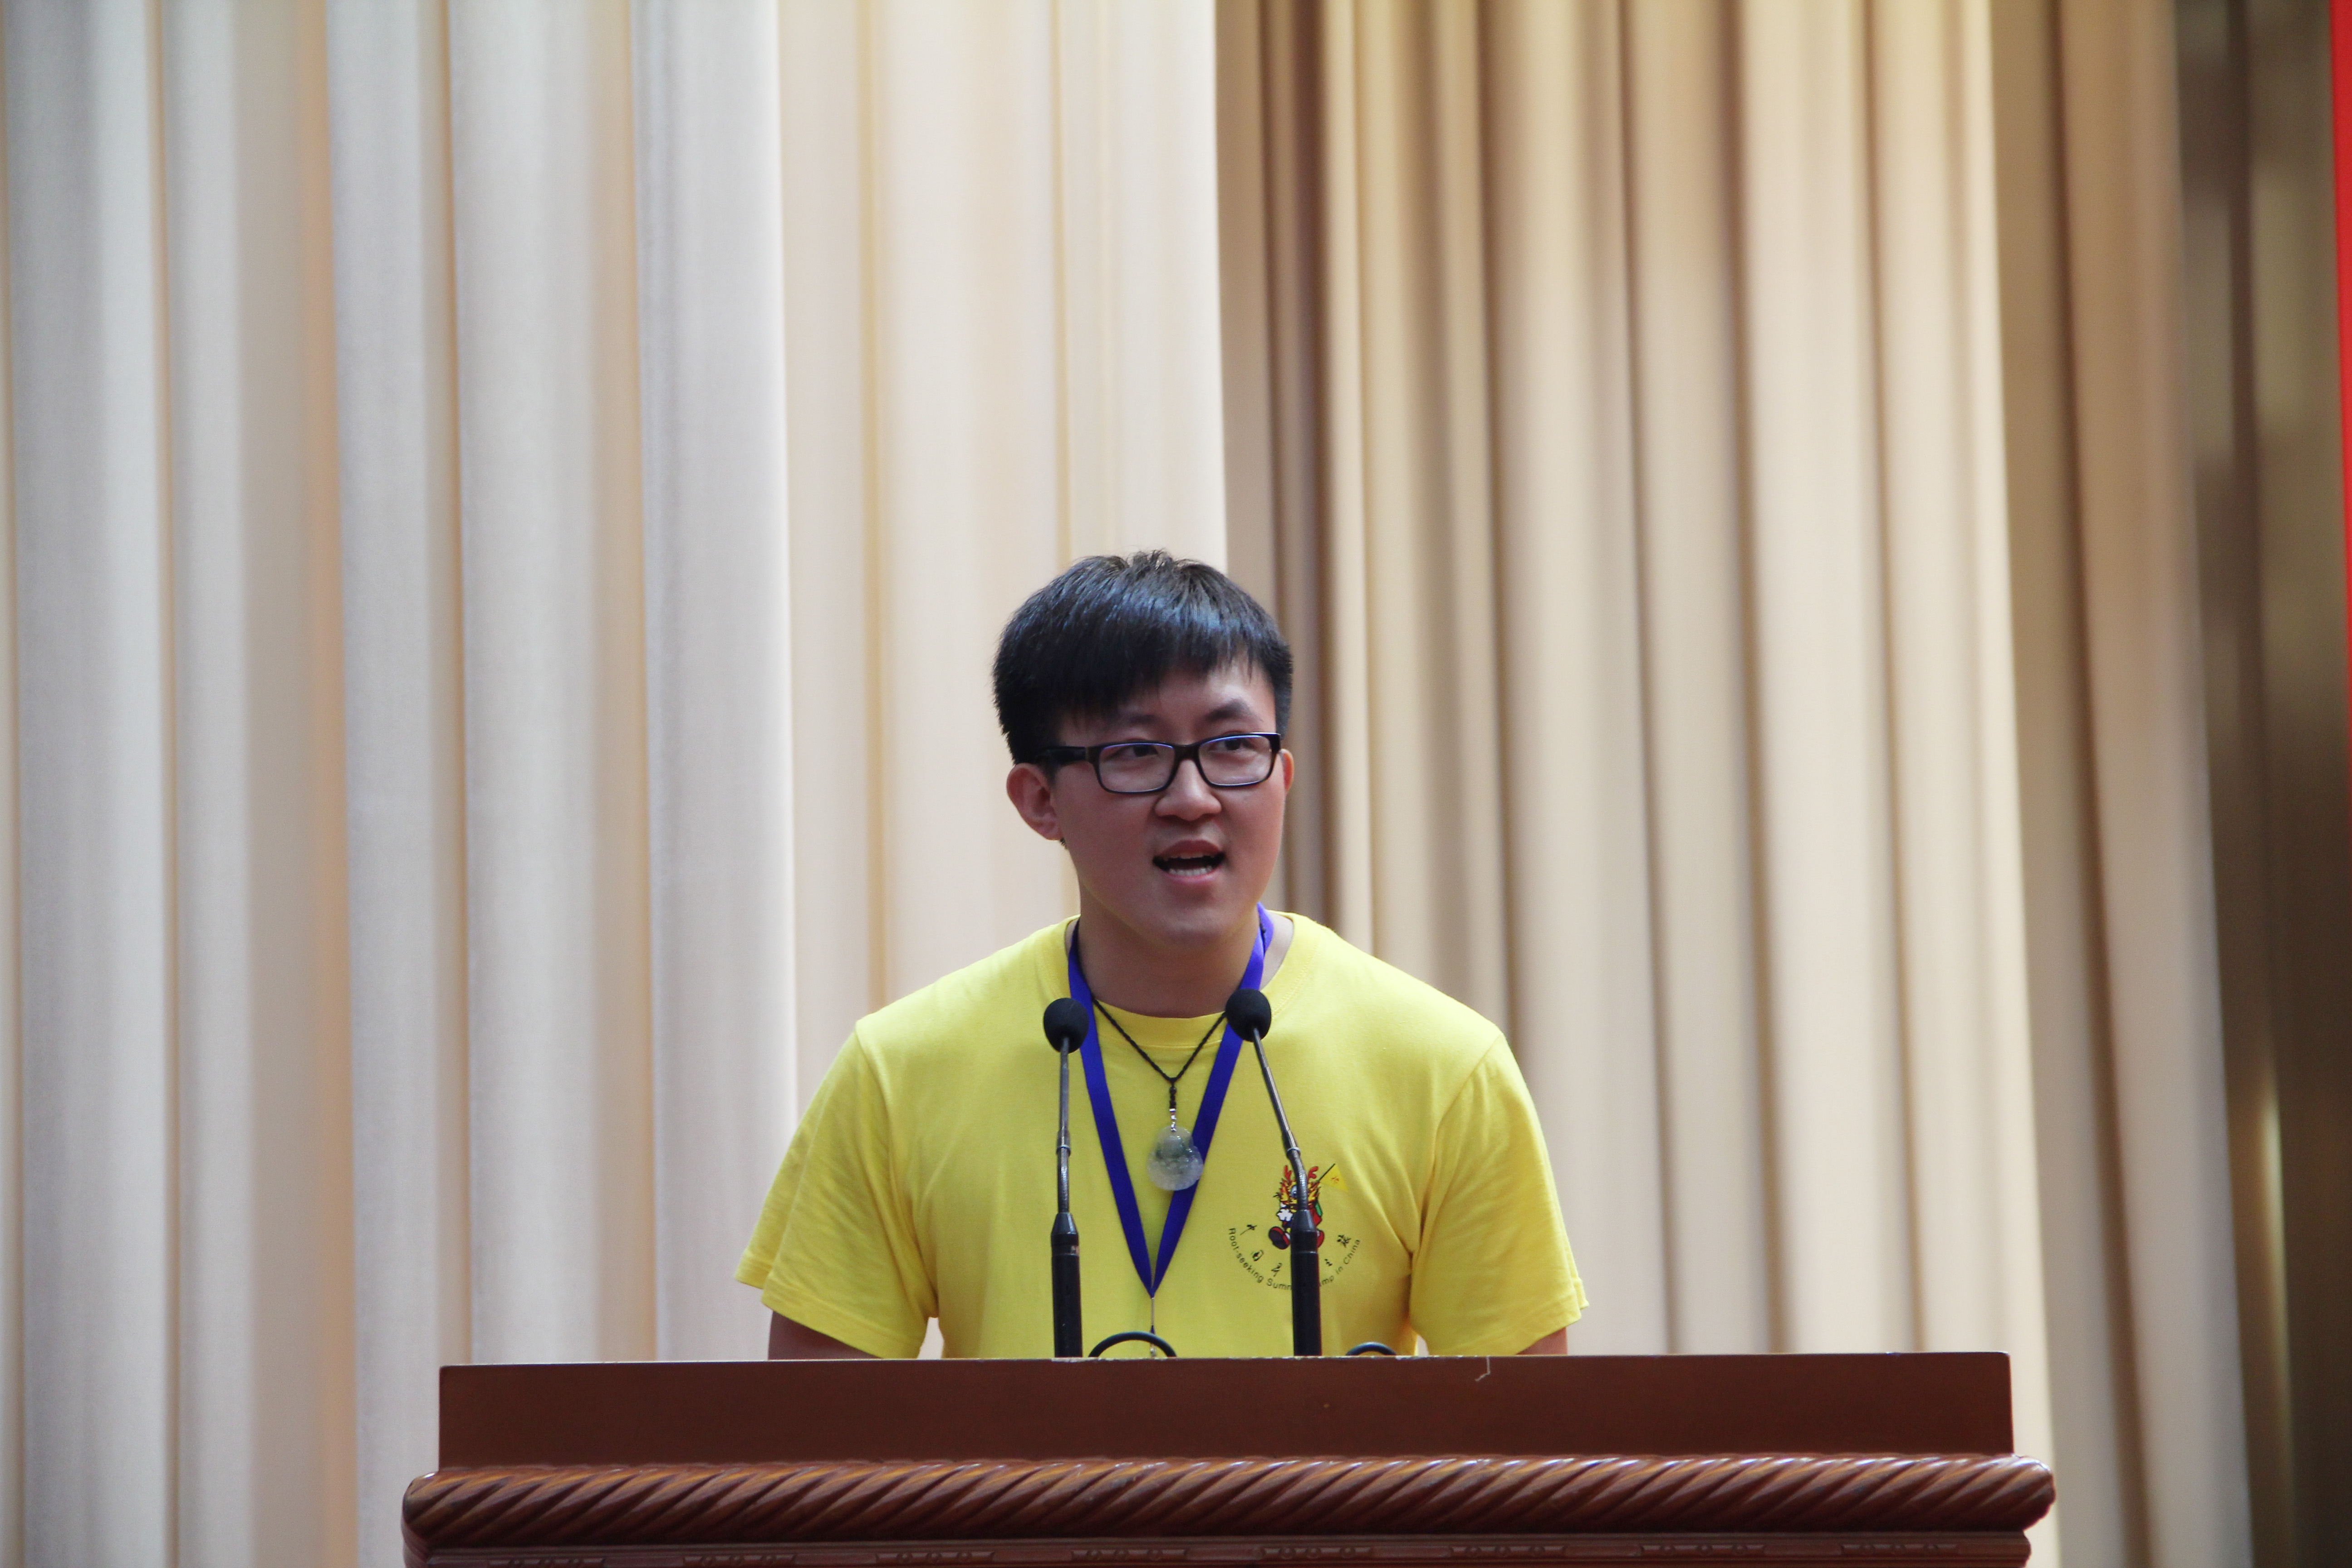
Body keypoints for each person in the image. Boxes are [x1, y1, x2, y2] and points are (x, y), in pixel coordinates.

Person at [738, 550, 1584, 1358]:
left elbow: (1525, 1432)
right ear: (1040, 801)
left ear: (1283, 777)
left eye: (1233, 747)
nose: (1192, 798)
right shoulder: (900, 1073)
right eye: (1135, 754)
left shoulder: (1443, 1067)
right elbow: (815, 1436)